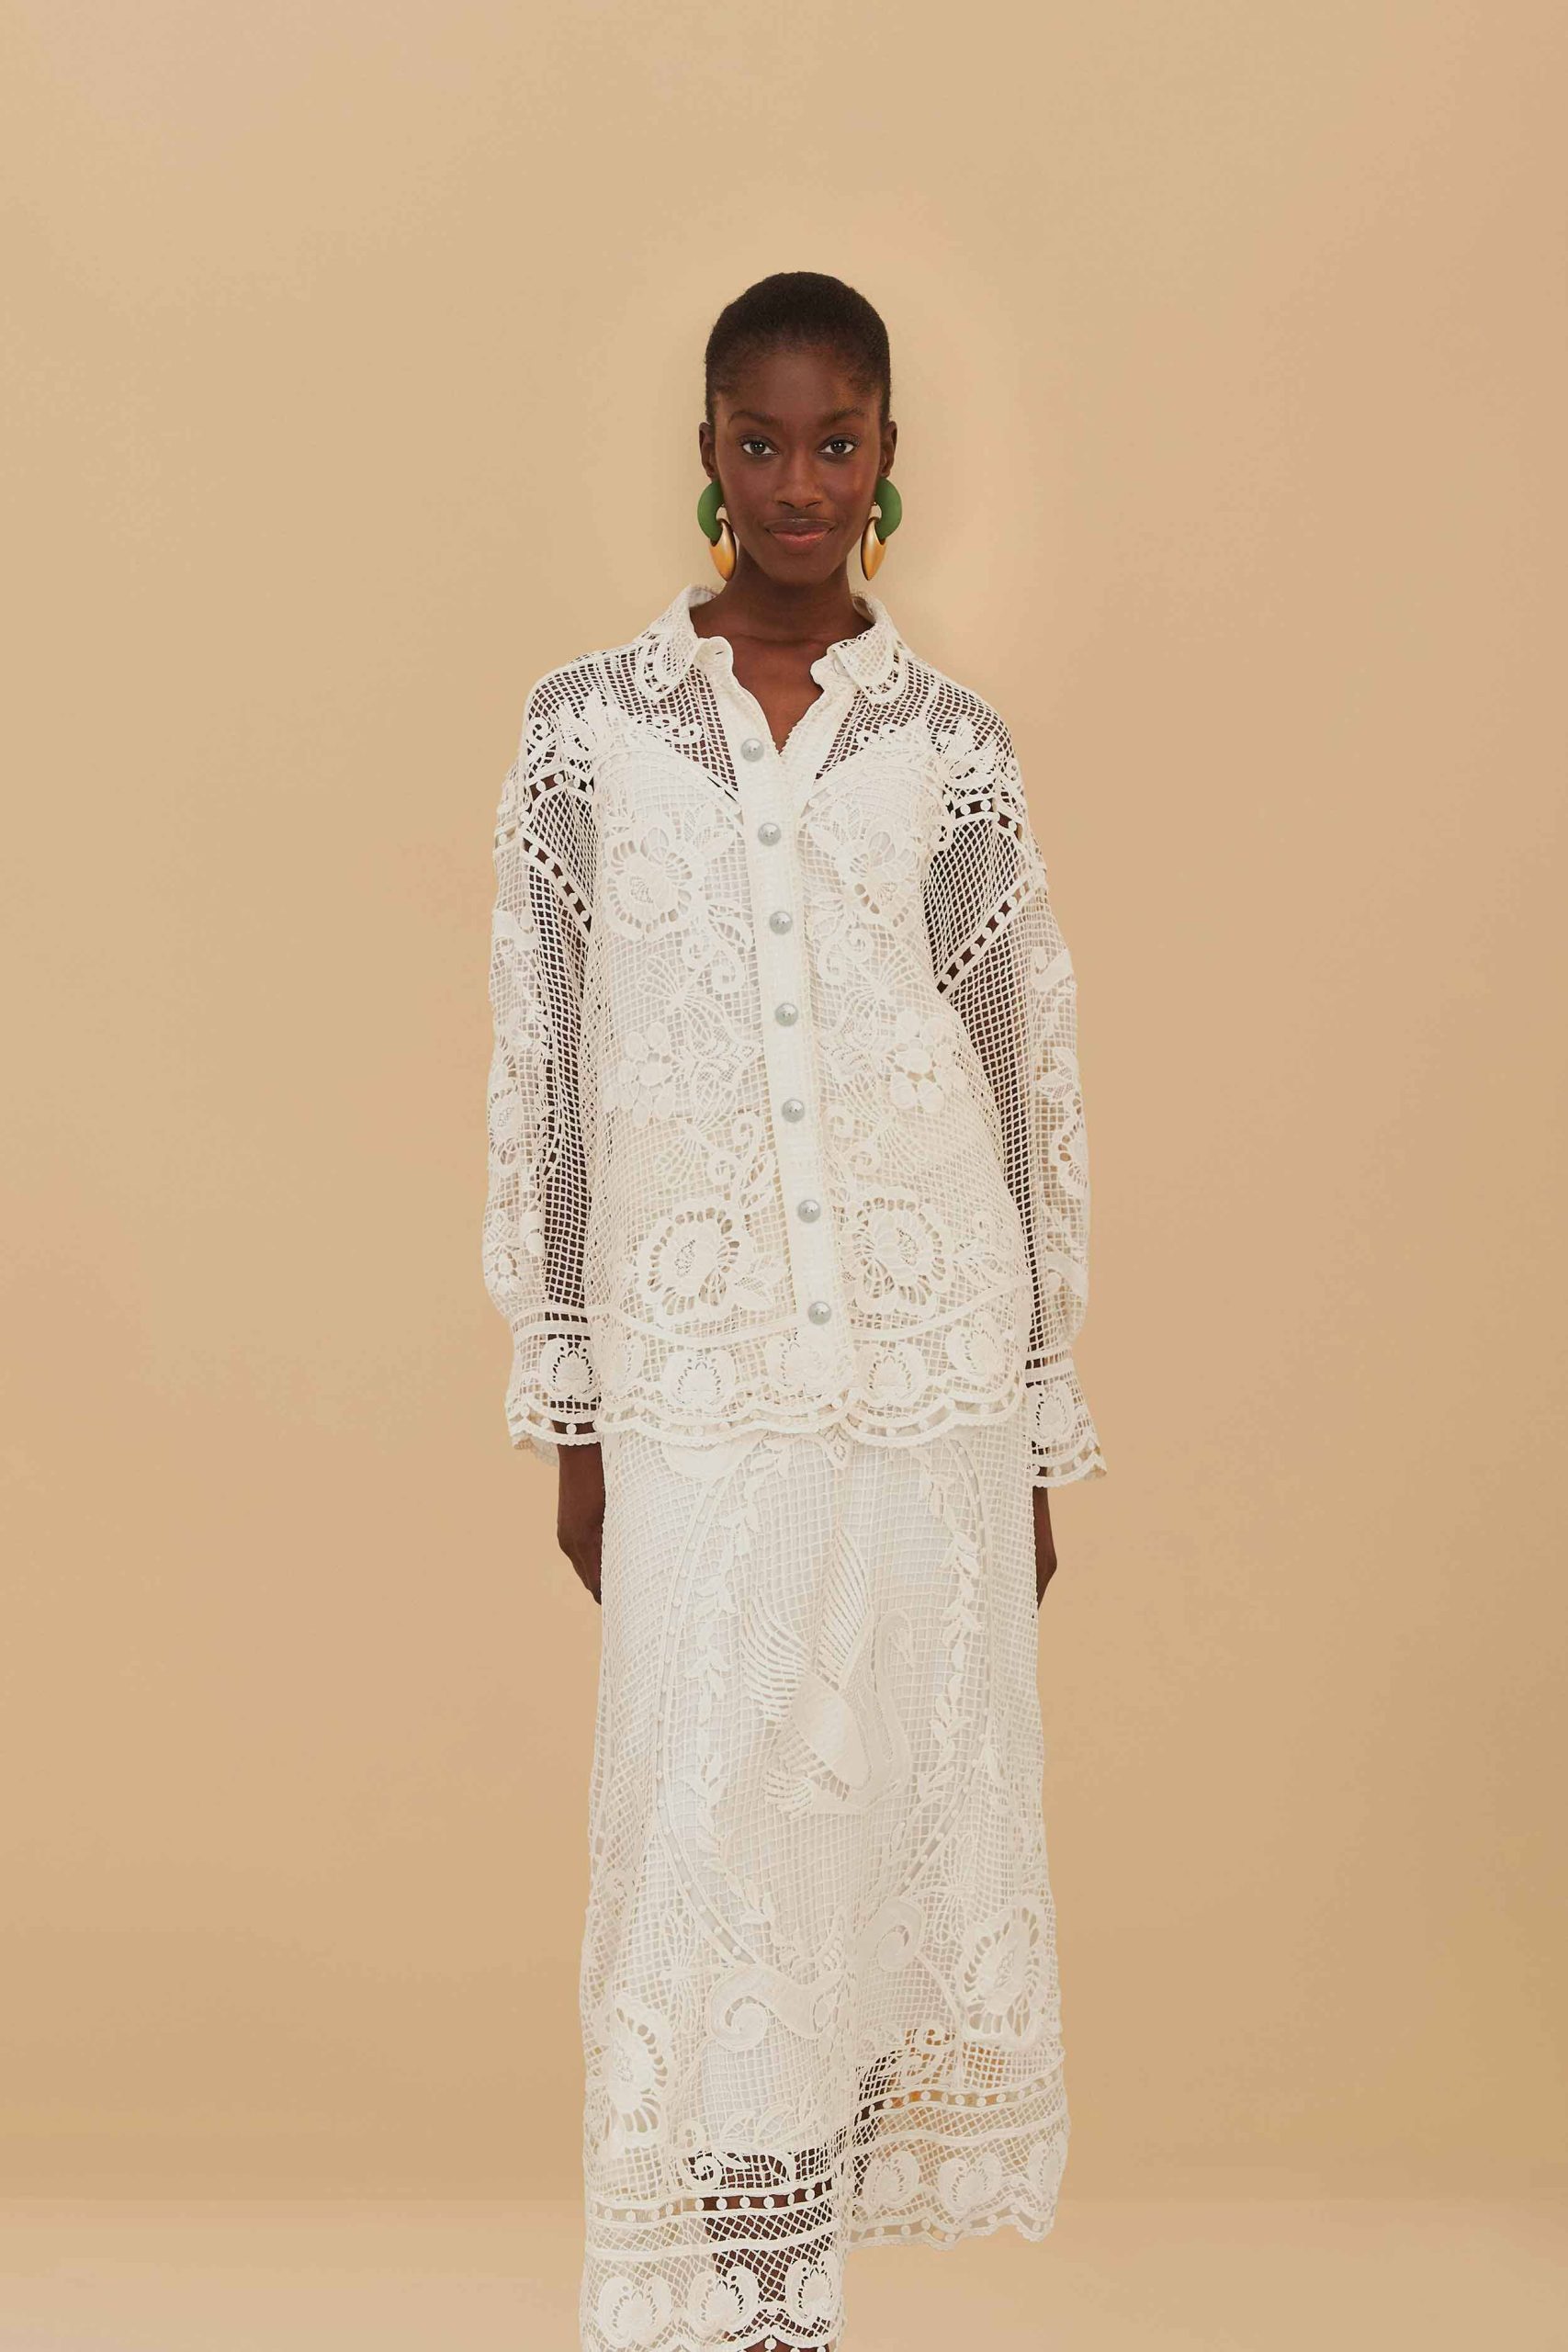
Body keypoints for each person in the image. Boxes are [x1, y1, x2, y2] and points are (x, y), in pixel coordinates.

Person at [482, 270, 1106, 2352]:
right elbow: (548, 1069)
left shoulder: (950, 749)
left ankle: (796, 2300)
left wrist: (1033, 1424)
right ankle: (735, 2310)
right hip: (698, 1369)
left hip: (926, 1366)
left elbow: (1014, 1066)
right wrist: (573, 1407)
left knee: (863, 1831)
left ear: (889, 459)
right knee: (708, 1836)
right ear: (705, 456)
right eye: (759, 442)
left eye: (835, 443)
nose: (797, 484)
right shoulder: (586, 732)